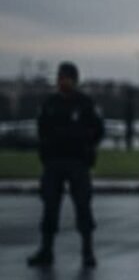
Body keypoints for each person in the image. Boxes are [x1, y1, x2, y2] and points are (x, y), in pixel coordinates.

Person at [28, 62, 104, 268]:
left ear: (75, 80)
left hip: (78, 162)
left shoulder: (85, 104)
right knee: (49, 207)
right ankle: (46, 250)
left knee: (83, 207)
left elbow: (98, 130)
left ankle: (87, 252)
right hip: (54, 163)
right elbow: (41, 129)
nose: (63, 81)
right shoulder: (50, 103)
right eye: (61, 78)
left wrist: (87, 147)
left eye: (68, 78)